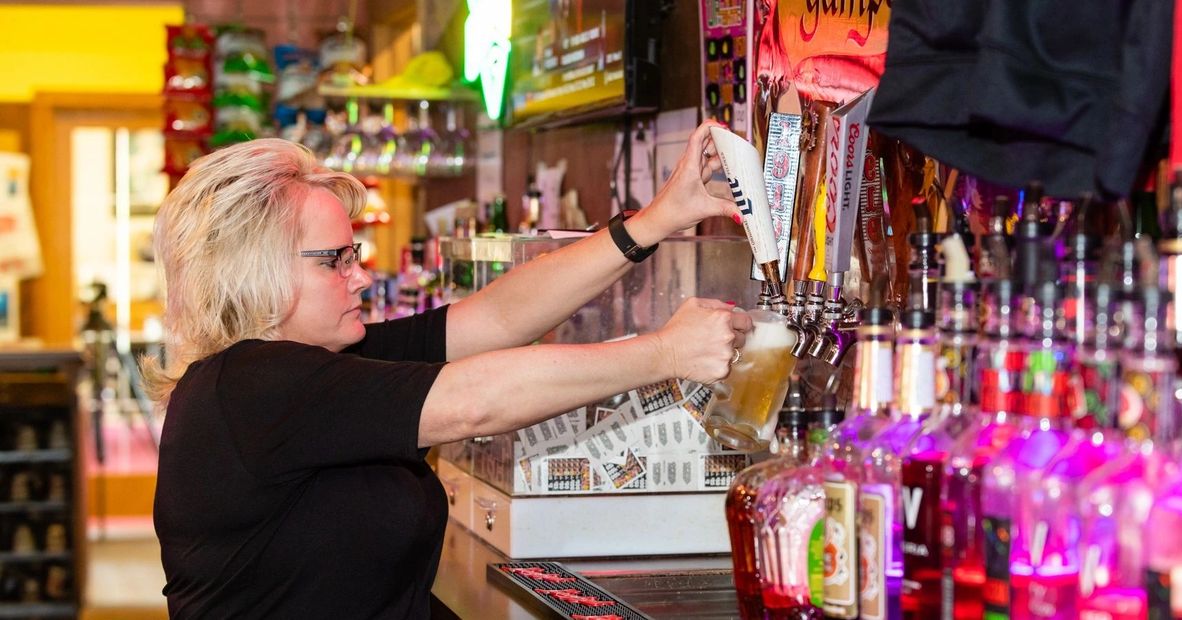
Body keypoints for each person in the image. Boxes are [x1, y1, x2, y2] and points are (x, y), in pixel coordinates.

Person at [145, 121, 753, 619]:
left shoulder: (325, 365)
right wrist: (666, 354)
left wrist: (654, 221)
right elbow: (472, 401)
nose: (359, 276)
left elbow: (494, 319)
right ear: (254, 274)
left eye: (353, 255)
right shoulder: (249, 386)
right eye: (334, 261)